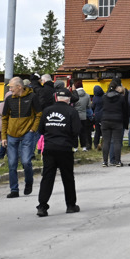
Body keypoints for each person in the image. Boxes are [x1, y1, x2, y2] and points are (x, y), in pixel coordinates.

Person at [36, 87, 81, 217]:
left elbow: (41, 130)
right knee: (68, 177)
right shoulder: (71, 112)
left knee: (47, 177)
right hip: (65, 148)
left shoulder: (47, 110)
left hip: (49, 148)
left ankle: (42, 206)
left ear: (56, 98)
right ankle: (71, 205)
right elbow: (76, 130)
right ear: (68, 100)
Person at [0, 77, 40, 198]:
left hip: (27, 133)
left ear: (19, 87)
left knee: (26, 161)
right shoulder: (9, 99)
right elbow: (4, 118)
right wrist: (3, 136)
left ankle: (29, 182)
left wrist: (33, 129)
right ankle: (14, 189)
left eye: (11, 87)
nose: (10, 89)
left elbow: (39, 114)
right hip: (11, 135)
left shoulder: (32, 97)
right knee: (12, 163)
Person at [98, 81, 128, 167]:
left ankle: (104, 162)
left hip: (105, 120)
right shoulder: (121, 97)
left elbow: (102, 108)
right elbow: (124, 109)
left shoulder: (104, 97)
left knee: (106, 141)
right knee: (117, 141)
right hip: (117, 121)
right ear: (116, 88)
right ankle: (117, 161)